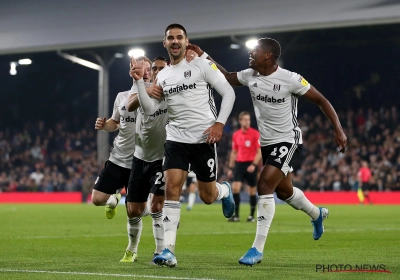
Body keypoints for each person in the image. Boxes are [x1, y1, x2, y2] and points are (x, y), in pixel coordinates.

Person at [188, 38, 347, 266]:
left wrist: (338, 129)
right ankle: (316, 214)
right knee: (284, 192)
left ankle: (257, 249)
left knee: (263, 185)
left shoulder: (290, 79)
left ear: (268, 56)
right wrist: (203, 55)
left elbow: (321, 100)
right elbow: (227, 77)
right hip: (267, 144)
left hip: (288, 140)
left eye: (255, 51)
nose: (250, 53)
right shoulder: (251, 75)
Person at [131, 23, 236, 267]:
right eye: (171, 38)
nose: (175, 41)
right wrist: (139, 82)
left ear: (187, 41)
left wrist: (220, 123)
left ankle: (225, 191)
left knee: (207, 196)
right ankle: (168, 250)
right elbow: (149, 109)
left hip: (203, 139)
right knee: (172, 188)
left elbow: (228, 92)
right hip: (176, 139)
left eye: (180, 37)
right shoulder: (164, 76)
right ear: (165, 43)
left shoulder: (200, 63)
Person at [120, 54, 197, 263]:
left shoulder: (175, 92)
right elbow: (129, 106)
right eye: (154, 68)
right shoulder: (142, 88)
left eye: (162, 68)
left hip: (163, 159)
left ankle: (160, 250)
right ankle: (132, 249)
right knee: (133, 210)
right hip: (139, 157)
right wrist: (144, 88)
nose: (157, 71)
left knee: (156, 205)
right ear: (151, 71)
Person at [92, 57, 145, 219]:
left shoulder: (155, 95)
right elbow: (115, 123)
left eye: (143, 68)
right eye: (135, 68)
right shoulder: (121, 97)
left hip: (141, 161)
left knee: (134, 211)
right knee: (97, 199)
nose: (139, 71)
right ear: (130, 72)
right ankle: (113, 201)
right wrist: (104, 125)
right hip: (119, 158)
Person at [227, 111, 261, 222]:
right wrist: (231, 168)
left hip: (251, 163)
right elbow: (234, 152)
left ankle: (251, 216)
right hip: (239, 164)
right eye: (245, 119)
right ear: (240, 121)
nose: (247, 121)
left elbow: (259, 151)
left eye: (249, 119)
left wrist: (254, 164)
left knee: (251, 191)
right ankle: (236, 215)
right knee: (235, 188)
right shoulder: (236, 135)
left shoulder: (255, 134)